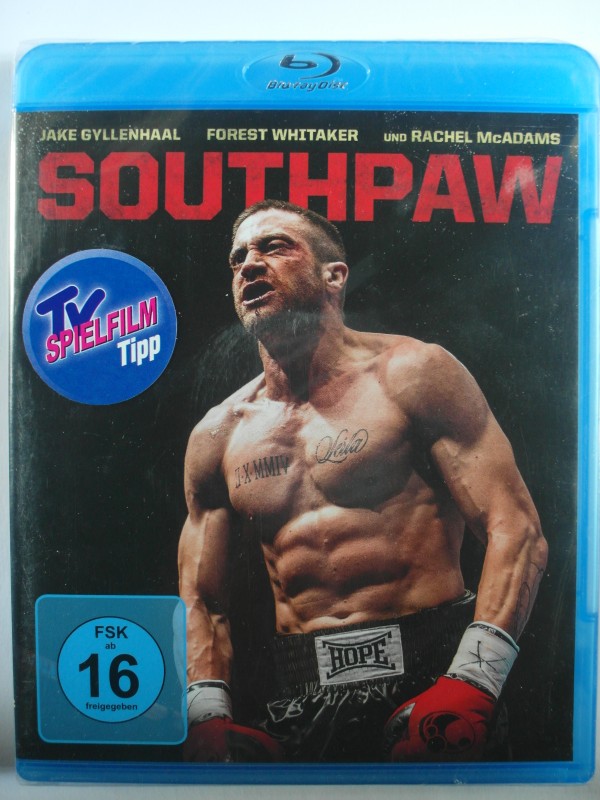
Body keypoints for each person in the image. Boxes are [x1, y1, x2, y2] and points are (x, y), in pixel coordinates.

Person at [178, 199, 548, 763]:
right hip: (301, 694)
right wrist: (206, 715)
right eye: (238, 258)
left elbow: (516, 529)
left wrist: (475, 682)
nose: (249, 264)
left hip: (438, 672)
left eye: (274, 247)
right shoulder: (218, 434)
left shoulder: (413, 373)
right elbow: (203, 598)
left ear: (334, 275)